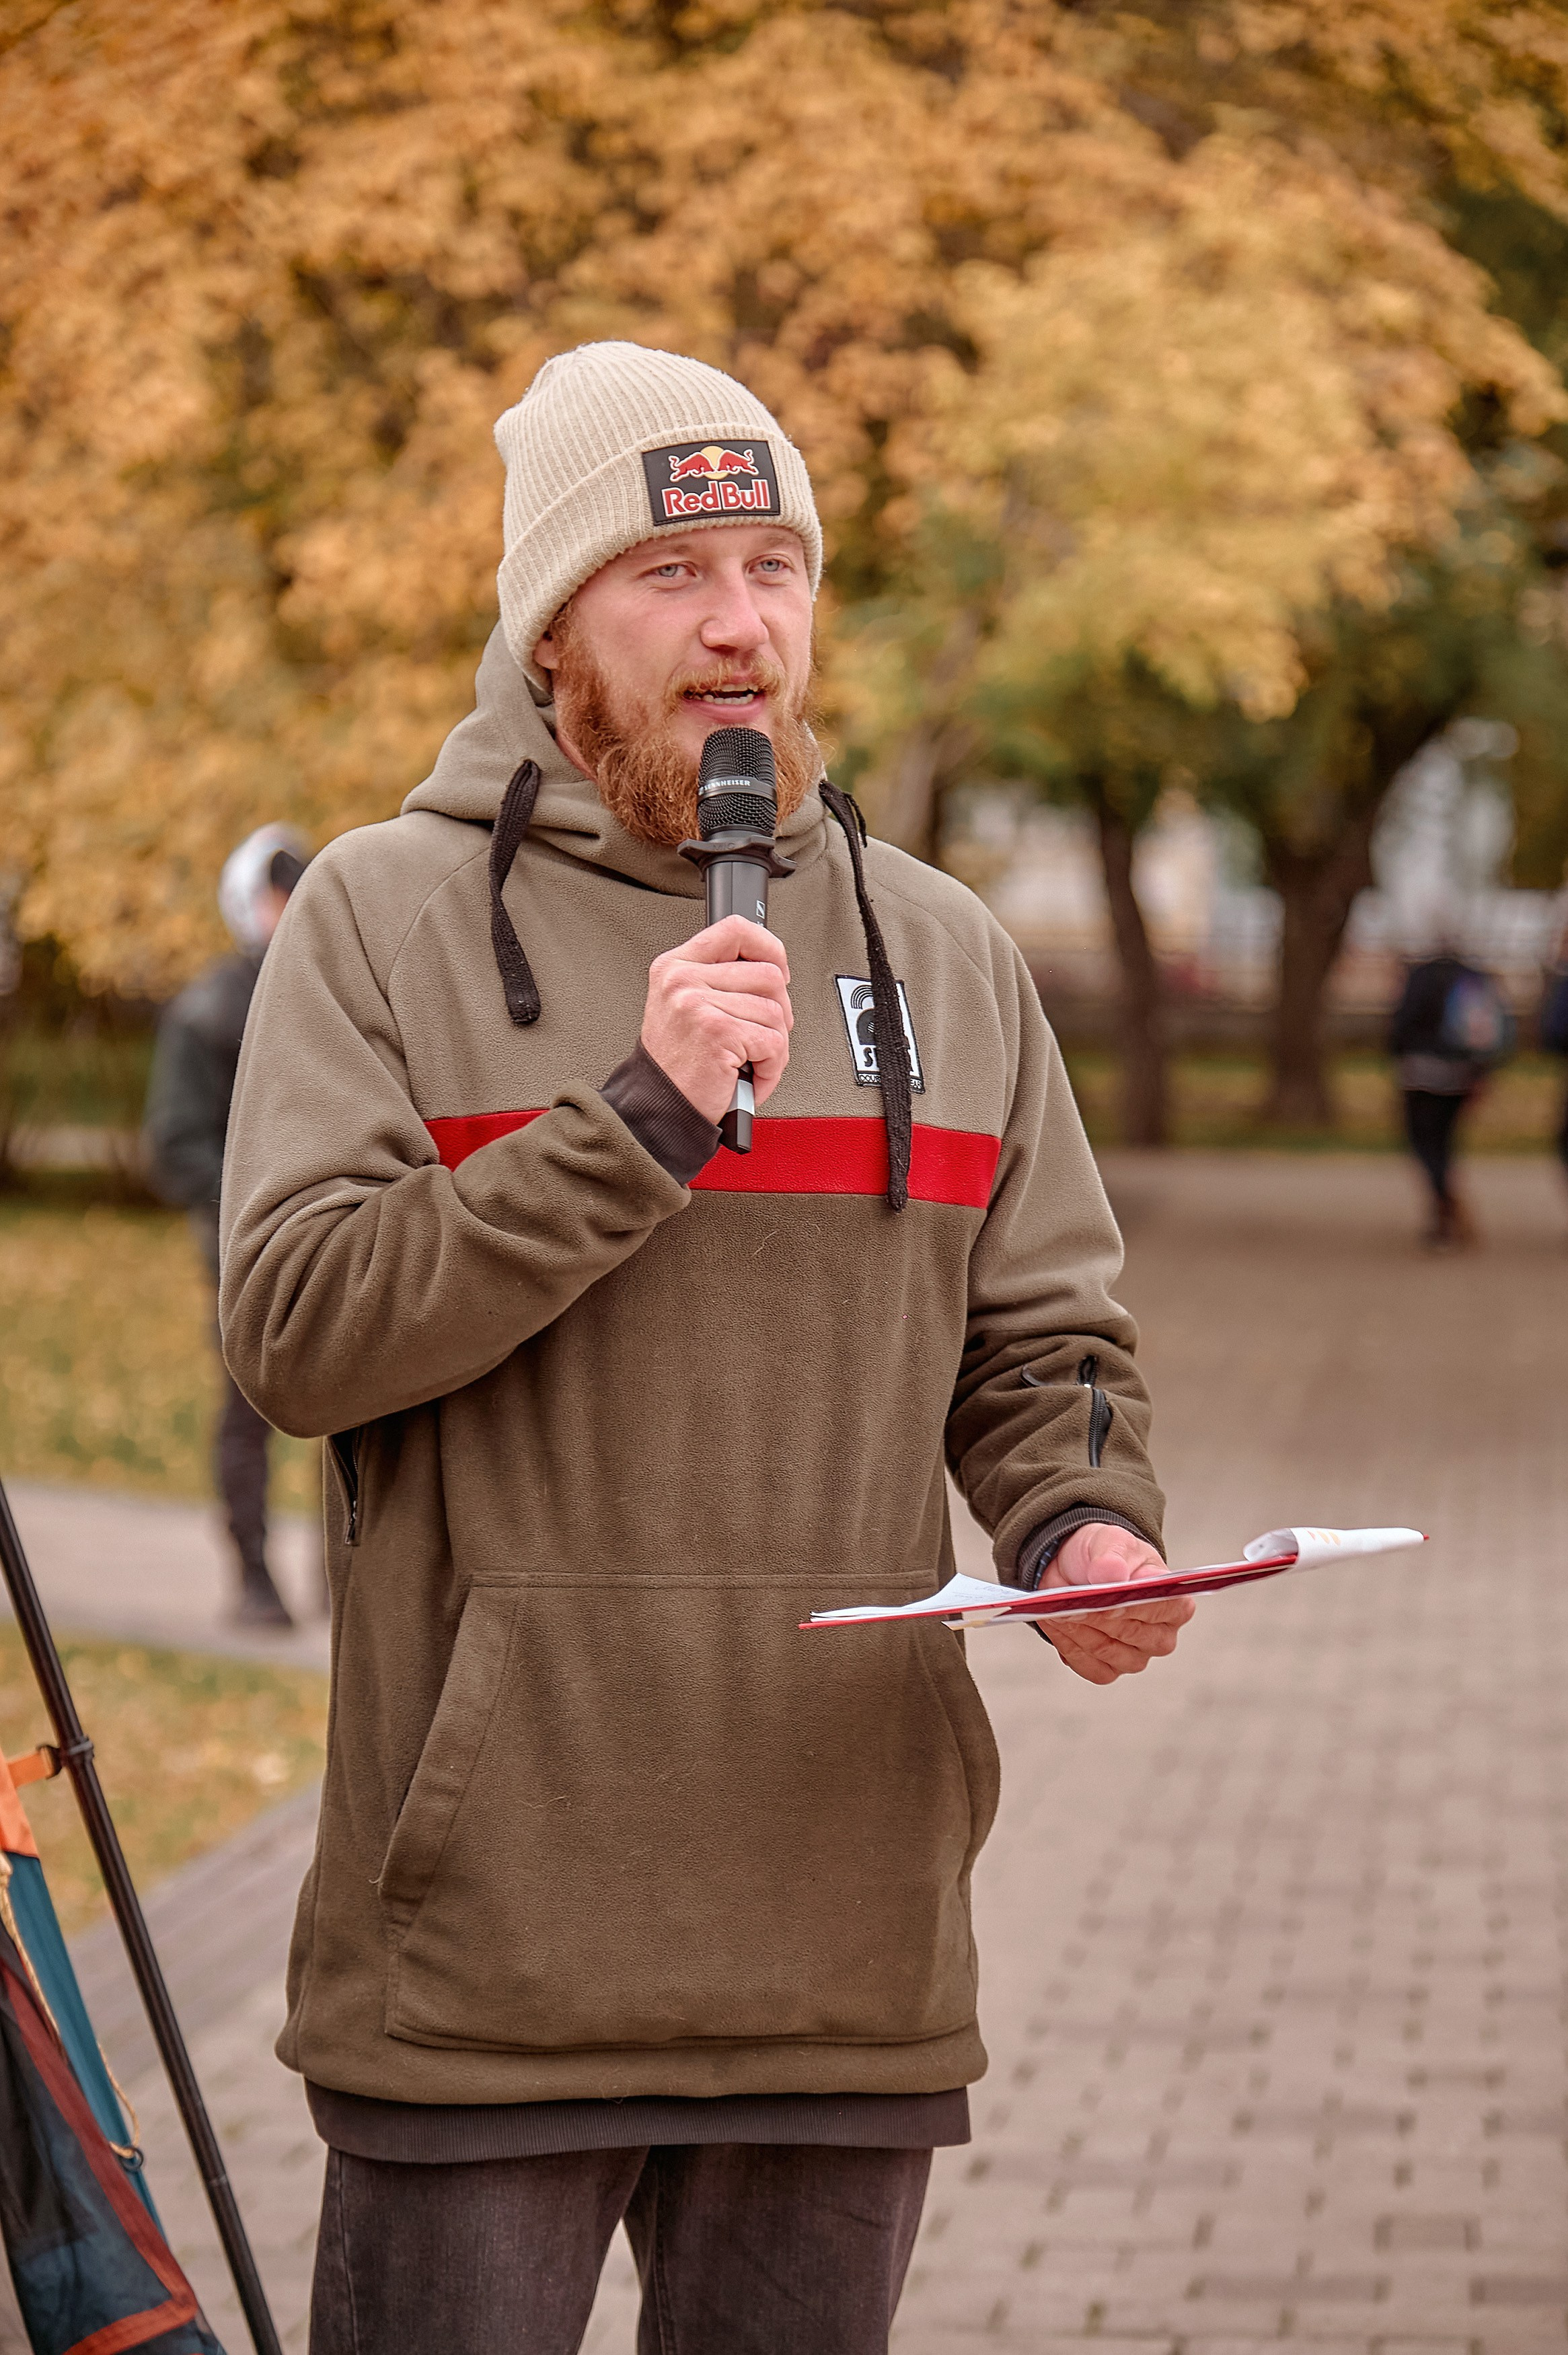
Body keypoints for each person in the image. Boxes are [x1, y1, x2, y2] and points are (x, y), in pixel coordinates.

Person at [219, 343, 1191, 2355]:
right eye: (671, 569)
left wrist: (1085, 1526)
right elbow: (299, 1331)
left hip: (842, 1934)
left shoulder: (947, 951)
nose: (741, 622)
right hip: (488, 1959)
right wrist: (634, 1121)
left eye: (776, 562)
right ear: (555, 618)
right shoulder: (383, 921)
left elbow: (1046, 1341)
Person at [143, 825, 307, 1626]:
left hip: (330, 1236)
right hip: (243, 1252)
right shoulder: (207, 1012)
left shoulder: (322, 992)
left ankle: (342, 1581)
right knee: (249, 1409)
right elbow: (177, 1145)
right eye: (279, 892)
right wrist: (257, 1205)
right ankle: (253, 1574)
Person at [1388, 937, 1514, 1249]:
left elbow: (1402, 1027)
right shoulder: (1474, 979)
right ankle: (1445, 1203)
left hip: (1423, 1074)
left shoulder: (1421, 978)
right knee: (1445, 1141)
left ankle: (1445, 1201)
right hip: (1462, 1074)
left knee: (1424, 1142)